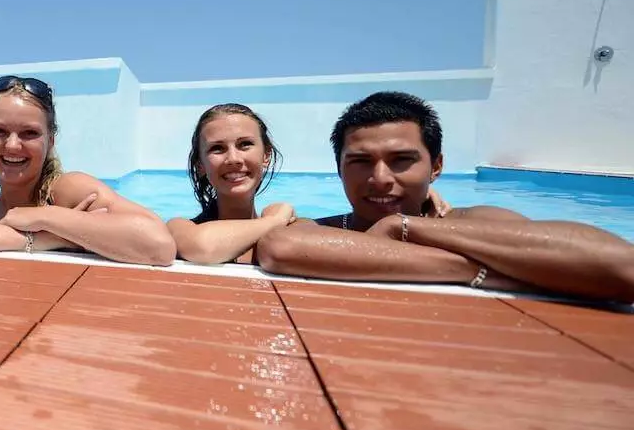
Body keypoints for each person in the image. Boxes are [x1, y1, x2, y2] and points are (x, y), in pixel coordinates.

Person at [256, 91, 634, 303]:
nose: (380, 178)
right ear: (339, 169)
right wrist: (474, 270)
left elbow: (622, 267)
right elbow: (280, 246)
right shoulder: (323, 229)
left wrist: (405, 227)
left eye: (402, 160)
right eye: (360, 161)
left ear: (436, 167)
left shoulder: (471, 223)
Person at [0, 75, 176, 266]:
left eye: (29, 133)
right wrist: (39, 240)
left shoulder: (66, 191)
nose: (12, 146)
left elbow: (160, 244)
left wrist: (46, 215)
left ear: (50, 140)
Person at [168, 103, 297, 264]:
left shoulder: (291, 227)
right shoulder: (180, 228)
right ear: (200, 165)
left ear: (266, 155)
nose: (233, 159)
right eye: (217, 148)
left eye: (245, 144)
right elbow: (203, 248)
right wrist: (274, 222)